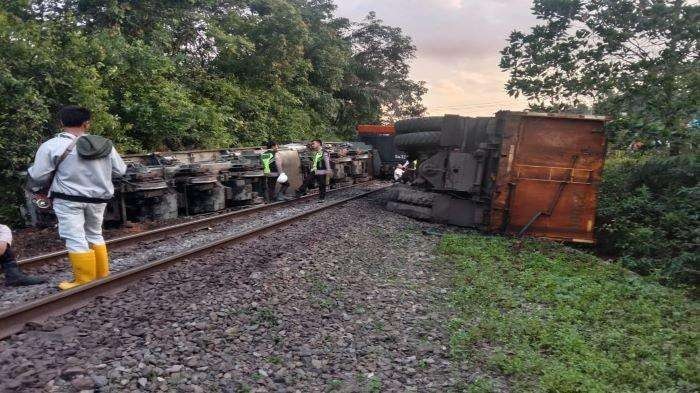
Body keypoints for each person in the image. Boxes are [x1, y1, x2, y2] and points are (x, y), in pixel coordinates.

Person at [28, 106, 127, 290]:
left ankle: (84, 280)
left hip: (68, 199)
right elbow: (120, 170)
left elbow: (38, 176)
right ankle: (101, 274)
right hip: (98, 200)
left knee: (74, 237)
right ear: (86, 124)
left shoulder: (51, 146)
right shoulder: (105, 144)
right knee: (95, 233)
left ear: (61, 123)